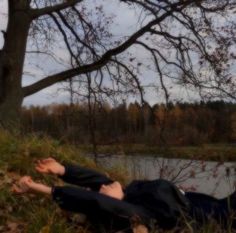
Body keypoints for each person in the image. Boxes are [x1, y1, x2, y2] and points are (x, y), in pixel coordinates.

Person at [13, 158, 236, 232]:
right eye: (103, 193)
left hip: (211, 202)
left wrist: (62, 170)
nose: (102, 187)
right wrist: (38, 189)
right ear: (111, 201)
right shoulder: (139, 212)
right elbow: (94, 200)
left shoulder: (126, 193)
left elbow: (97, 181)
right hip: (221, 216)